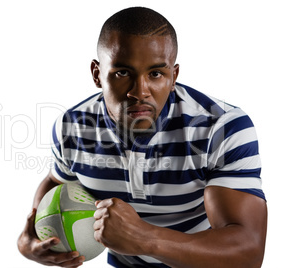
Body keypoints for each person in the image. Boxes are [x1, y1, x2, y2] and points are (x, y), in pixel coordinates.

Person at [18, 6, 267, 268]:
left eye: (156, 73)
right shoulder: (72, 128)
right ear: (97, 74)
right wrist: (33, 240)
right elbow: (57, 183)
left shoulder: (222, 127)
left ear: (174, 76)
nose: (140, 91)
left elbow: (247, 252)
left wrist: (146, 239)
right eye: (123, 73)